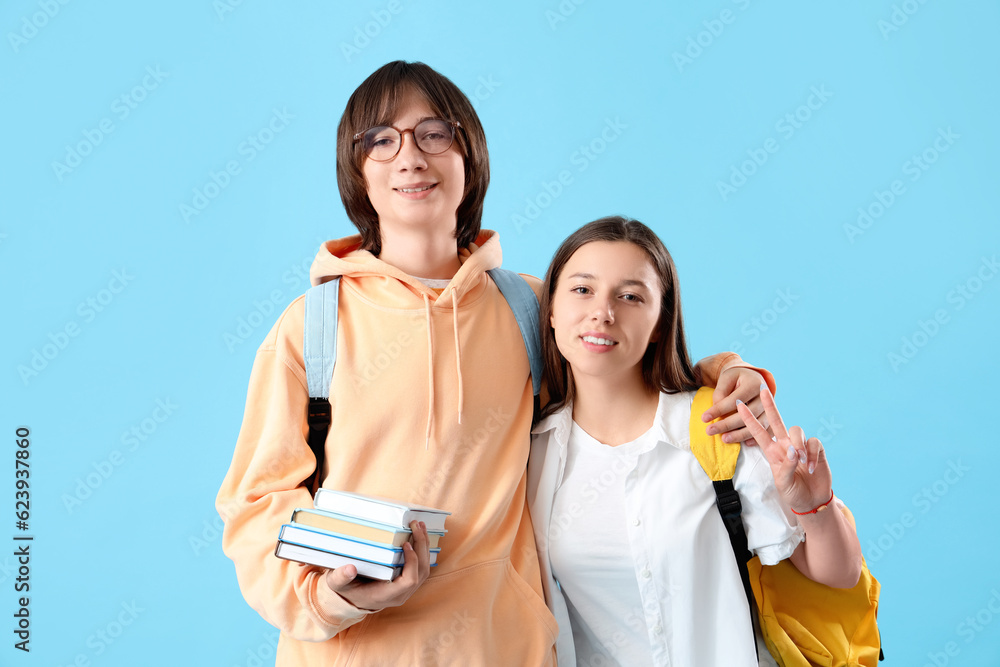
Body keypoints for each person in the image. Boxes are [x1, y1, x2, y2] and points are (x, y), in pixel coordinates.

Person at [216, 62, 773, 665]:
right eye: (380, 140)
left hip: (505, 649)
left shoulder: (529, 309)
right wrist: (331, 596)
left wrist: (727, 373)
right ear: (358, 173)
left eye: (435, 133)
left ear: (470, 159)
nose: (409, 157)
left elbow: (633, 370)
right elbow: (256, 505)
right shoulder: (311, 327)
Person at [527, 216, 864, 667]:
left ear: (660, 322)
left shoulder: (718, 427)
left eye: (630, 296)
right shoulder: (535, 453)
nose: (602, 312)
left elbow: (838, 576)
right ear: (550, 309)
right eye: (582, 289)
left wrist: (815, 505)